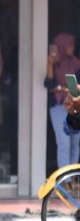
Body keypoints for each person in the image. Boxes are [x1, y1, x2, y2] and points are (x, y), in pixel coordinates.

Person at [45, 33, 80, 168]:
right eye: (69, 45)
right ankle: (65, 180)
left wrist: (69, 88)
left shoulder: (76, 63)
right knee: (64, 142)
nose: (72, 48)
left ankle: (71, 176)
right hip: (59, 107)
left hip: (75, 105)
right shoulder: (55, 63)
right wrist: (49, 63)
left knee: (75, 142)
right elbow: (48, 84)